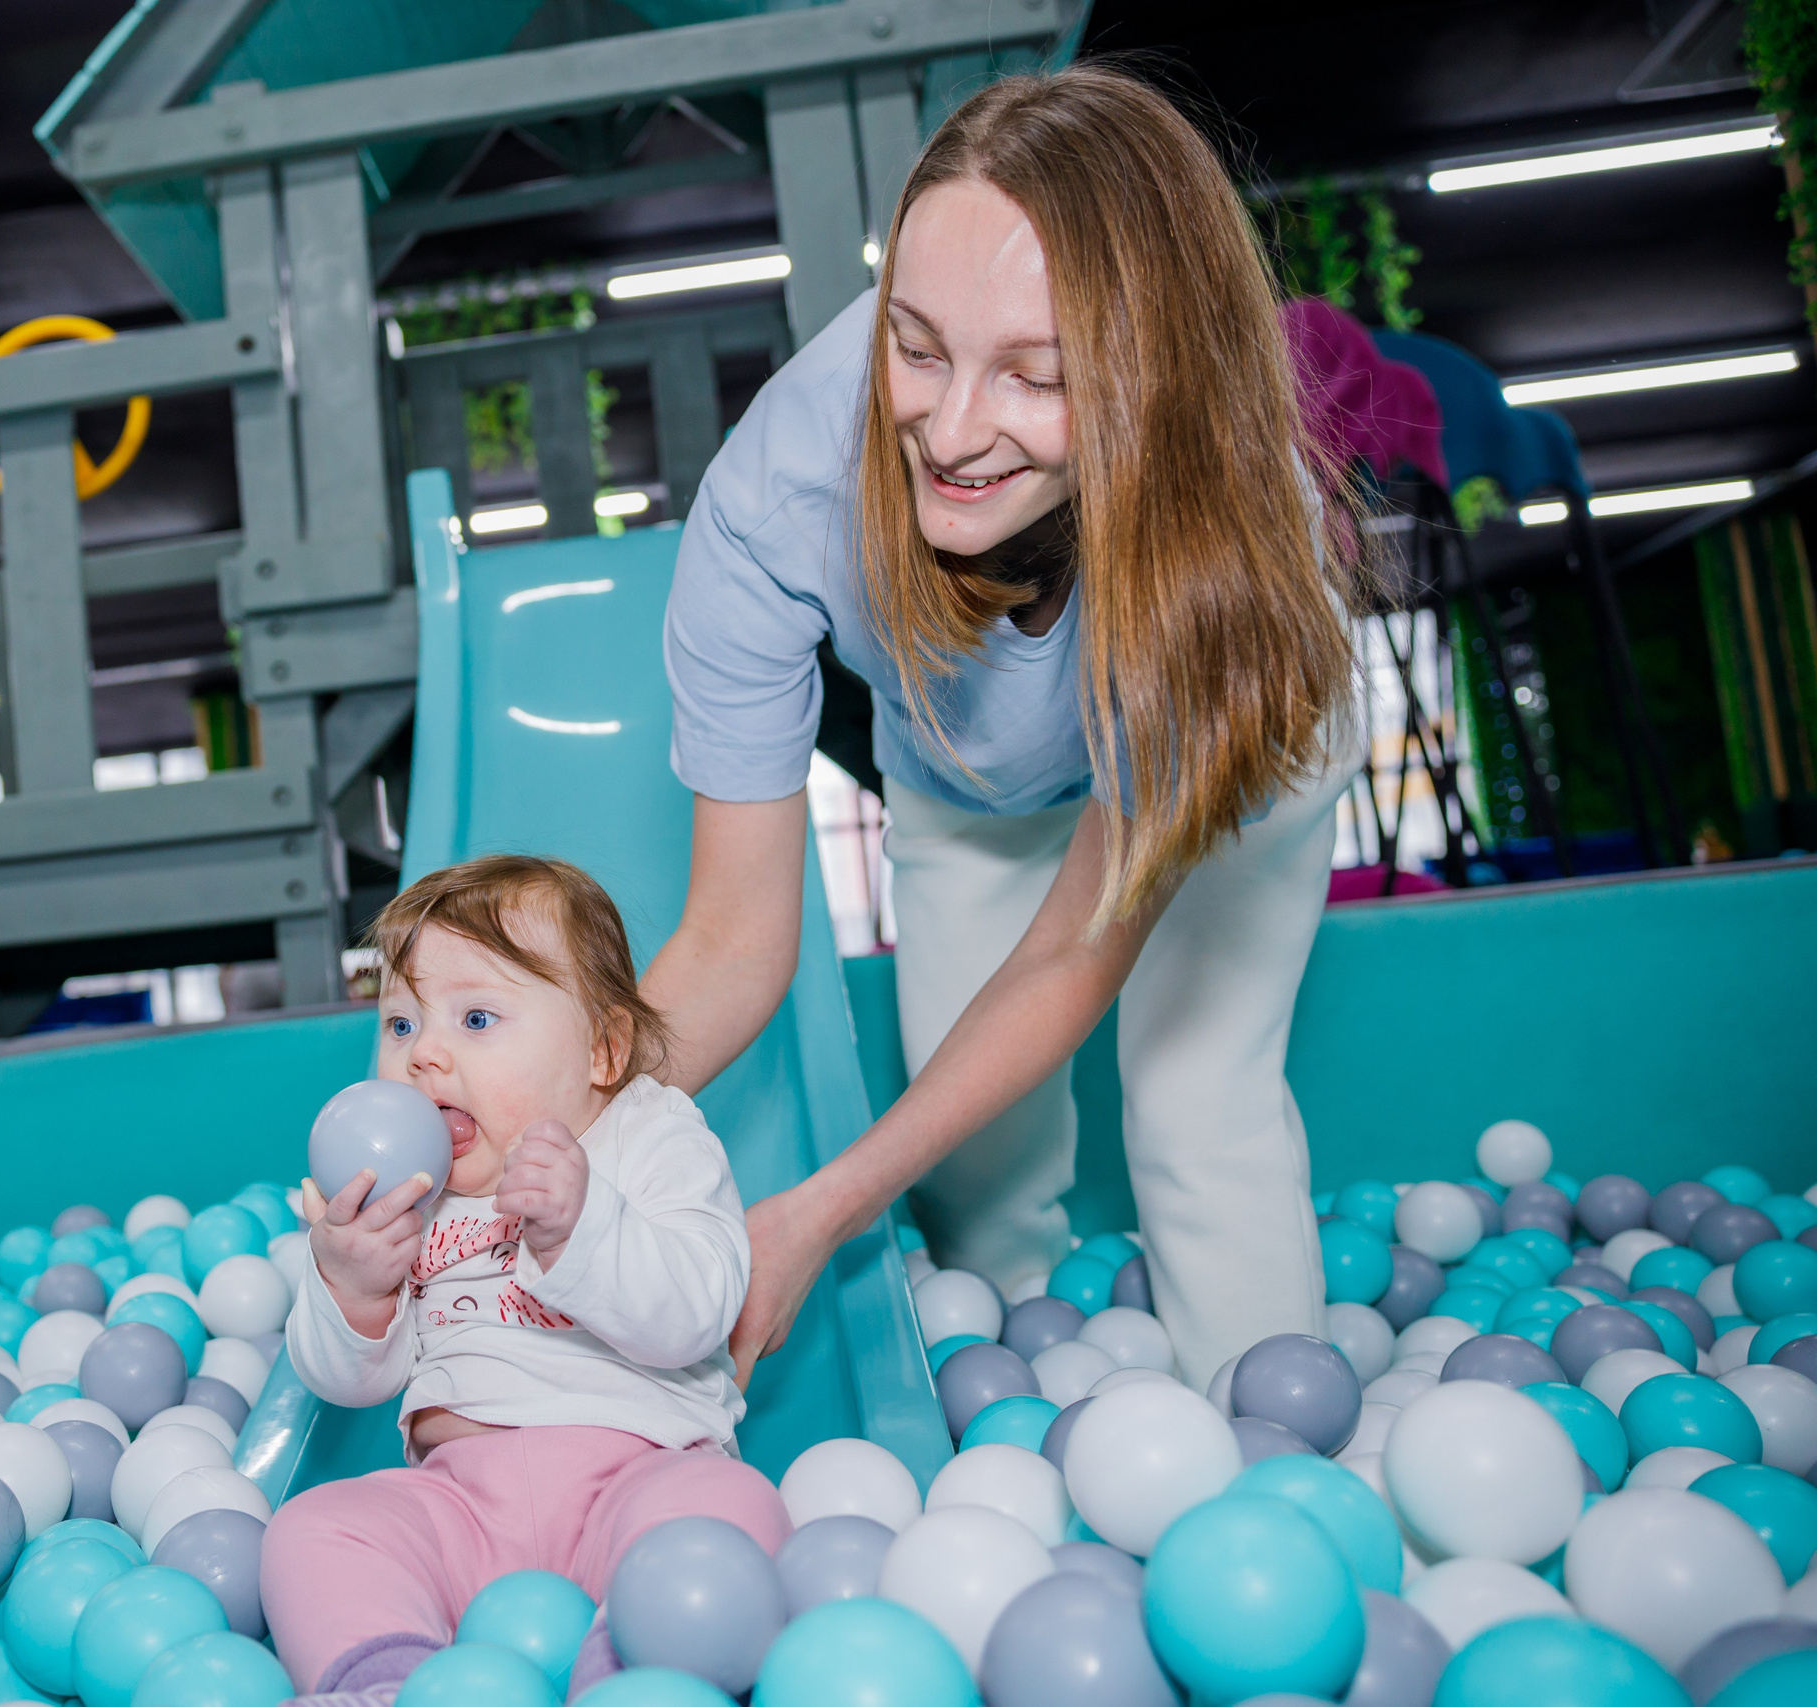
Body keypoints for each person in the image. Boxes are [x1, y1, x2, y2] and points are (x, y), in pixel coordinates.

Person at [647, 65, 1367, 1391]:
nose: (953, 429)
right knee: (973, 1160)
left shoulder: (1226, 547)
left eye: (1035, 377)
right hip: (971, 768)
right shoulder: (780, 495)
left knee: (1196, 1094)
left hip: (1232, 751)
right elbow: (730, 938)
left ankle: (1278, 1450)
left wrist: (814, 1212)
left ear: (1152, 375)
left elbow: (1065, 966)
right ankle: (1030, 1417)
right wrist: (538, 1115)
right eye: (914, 346)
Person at [264, 854, 788, 1701]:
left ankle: (627, 1666)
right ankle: (391, 1678)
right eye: (400, 1024)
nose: (424, 1056)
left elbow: (699, 1312)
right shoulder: (404, 1194)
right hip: (460, 1505)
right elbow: (347, 1381)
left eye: (475, 1017)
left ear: (603, 1049)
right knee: (313, 1528)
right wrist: (351, 1283)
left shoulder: (652, 1137)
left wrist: (584, 1227)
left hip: (636, 1480)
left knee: (731, 1507)